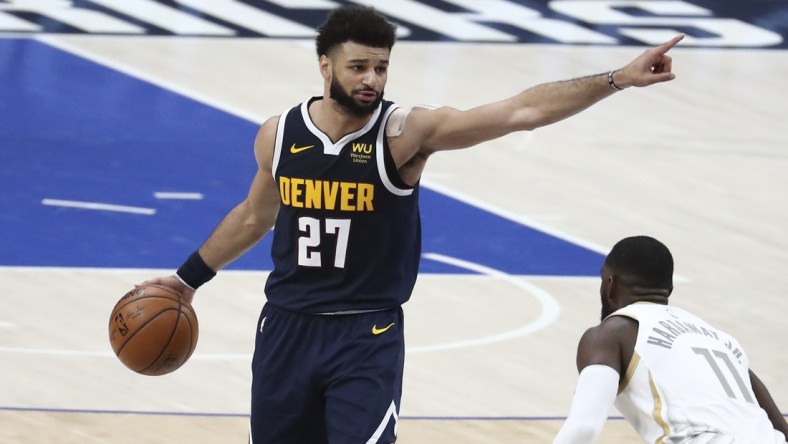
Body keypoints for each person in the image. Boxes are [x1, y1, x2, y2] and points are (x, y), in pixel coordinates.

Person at [142, 4, 685, 443]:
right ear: (325, 66)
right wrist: (186, 280)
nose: (371, 80)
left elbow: (520, 111)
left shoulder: (405, 133)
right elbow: (255, 214)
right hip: (286, 326)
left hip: (366, 332)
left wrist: (616, 78)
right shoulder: (279, 135)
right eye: (358, 67)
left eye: (381, 67)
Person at [553, 235, 788, 443]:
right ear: (670, 289)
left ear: (610, 284)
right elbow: (781, 430)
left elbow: (583, 429)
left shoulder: (612, 333)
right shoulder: (720, 339)